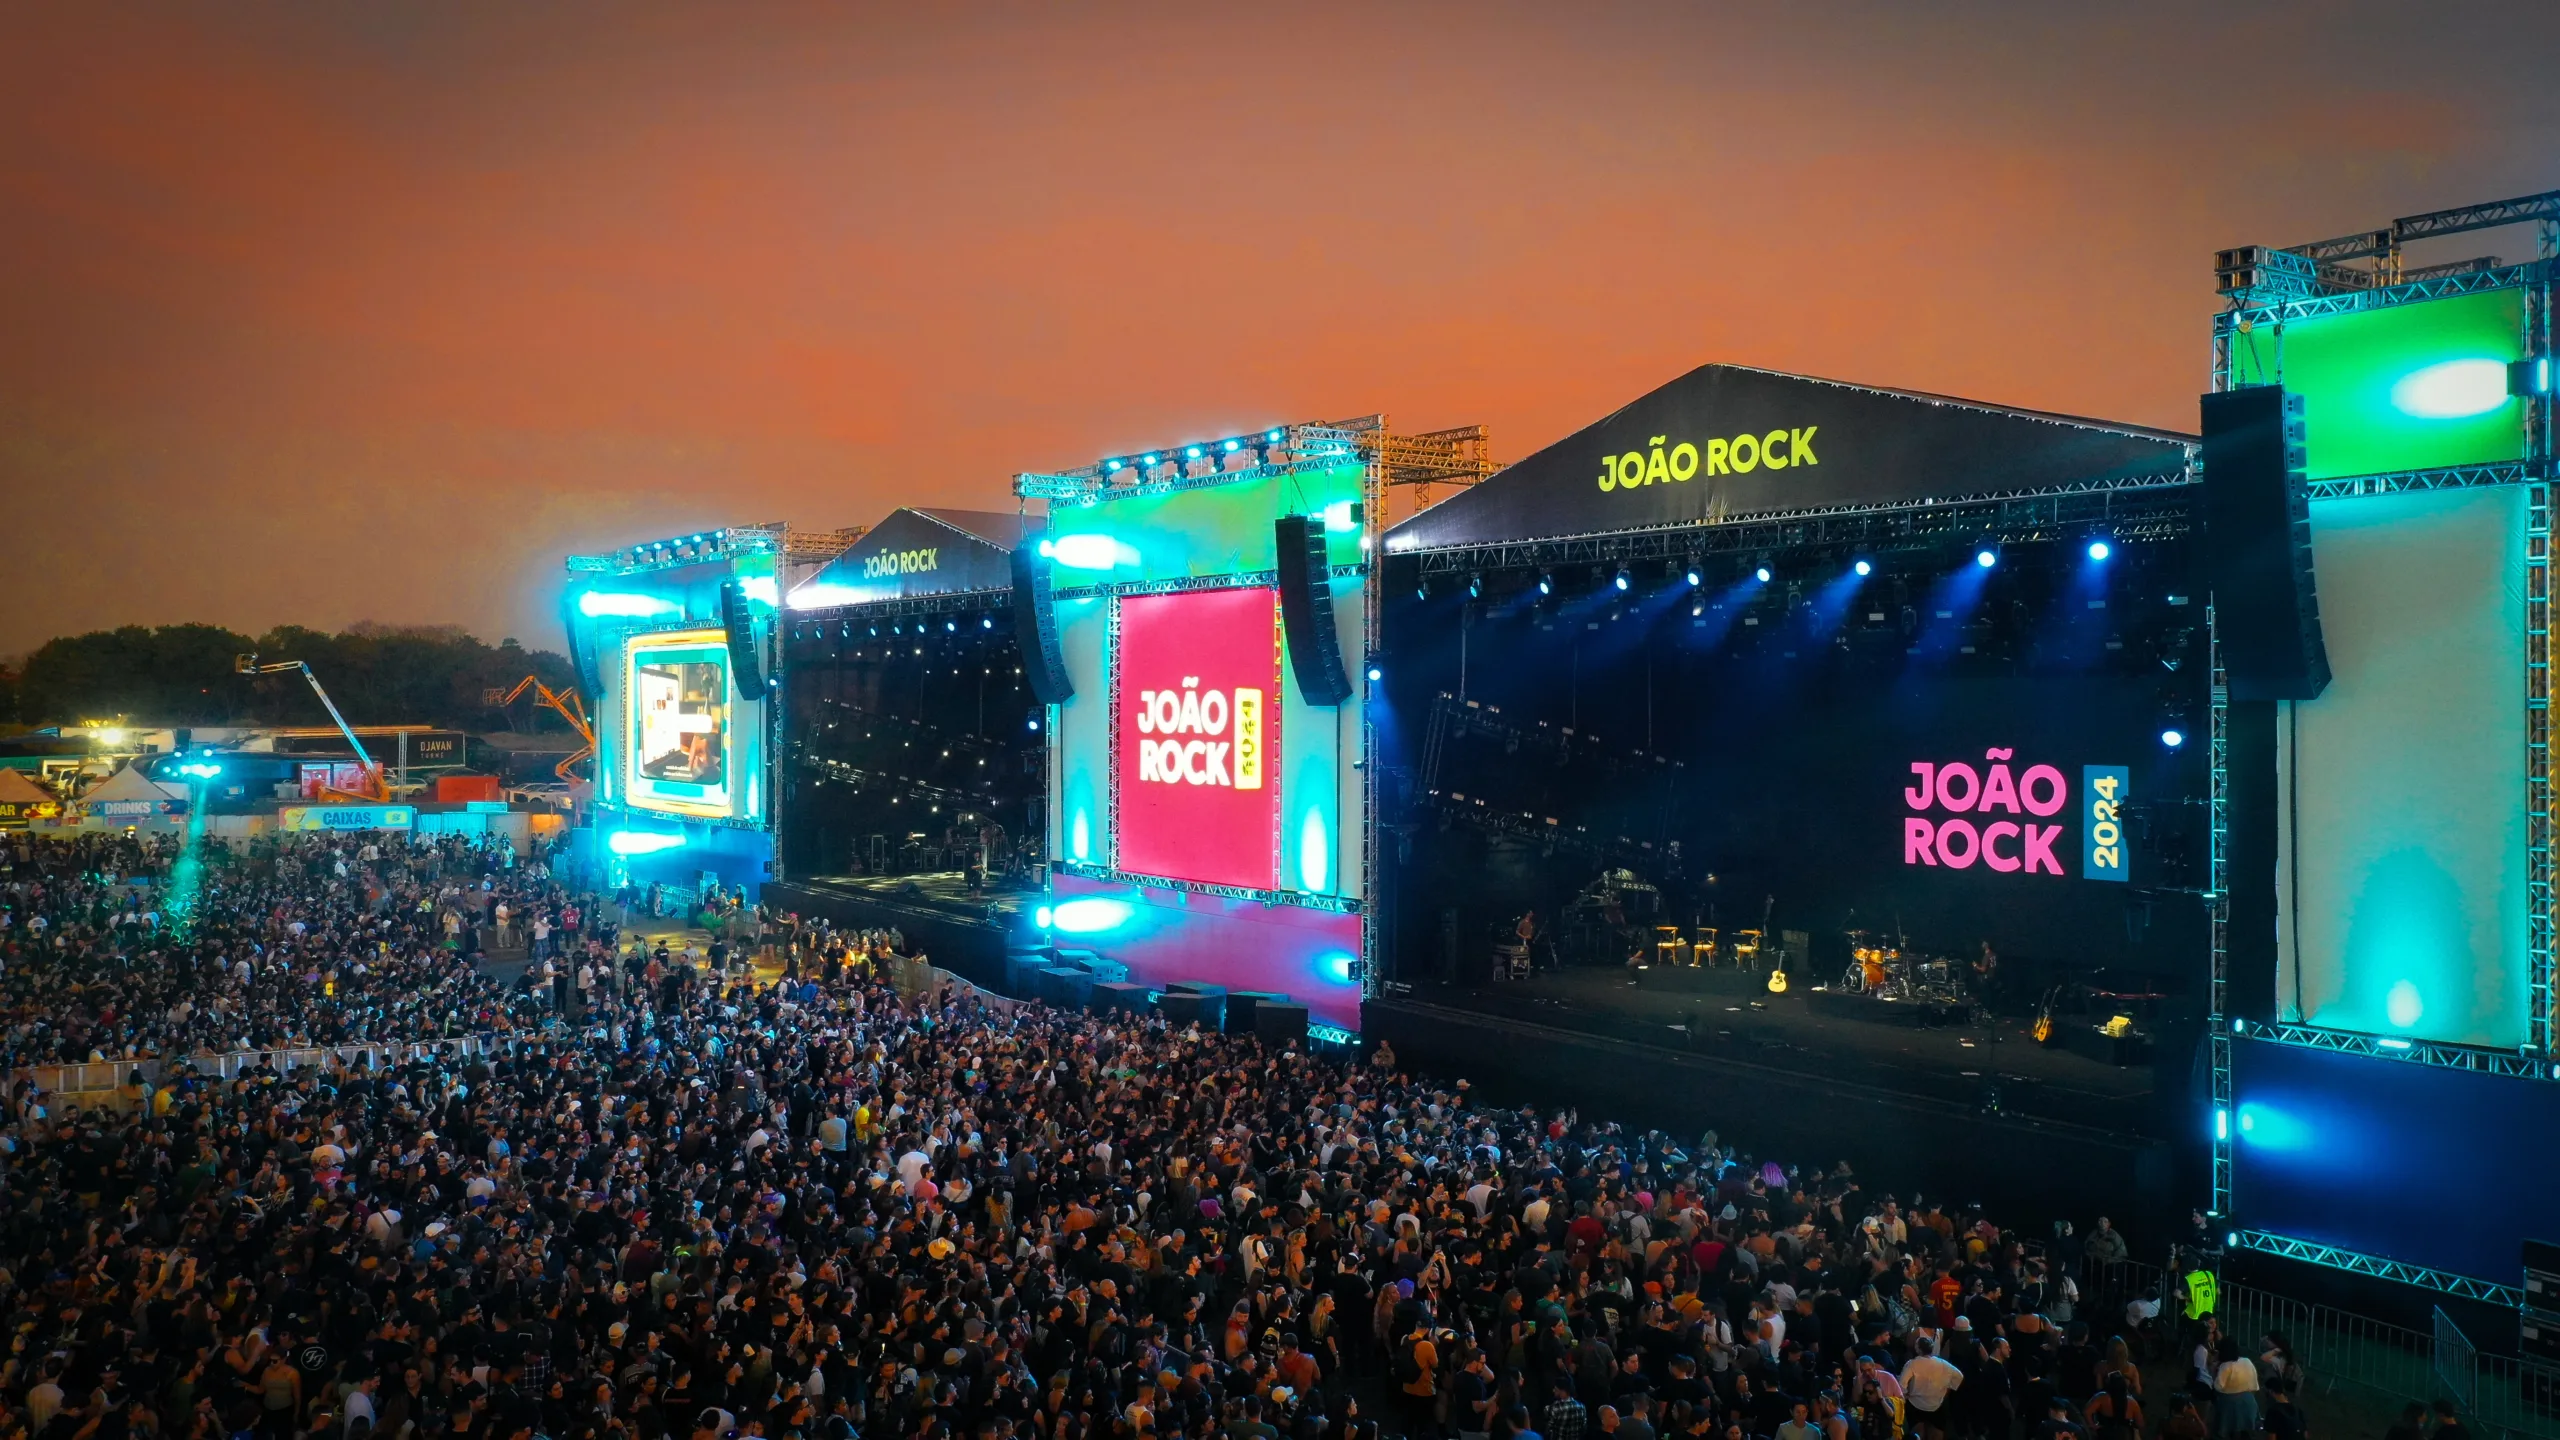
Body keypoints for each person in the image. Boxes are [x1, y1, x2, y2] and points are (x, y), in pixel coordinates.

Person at [2211, 1337, 2261, 1436]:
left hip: (2229, 1403)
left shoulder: (2225, 1366)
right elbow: (2254, 1382)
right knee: (2246, 1432)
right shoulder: (2247, 1361)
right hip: (2248, 1400)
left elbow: (2218, 1386)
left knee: (2229, 1430)